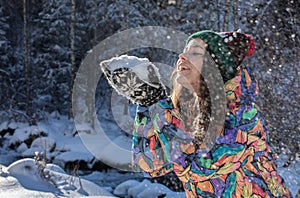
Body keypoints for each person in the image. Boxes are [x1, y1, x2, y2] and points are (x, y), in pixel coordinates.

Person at [100, 30, 291, 197]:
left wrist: (159, 105)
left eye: (195, 52)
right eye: (184, 50)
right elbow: (149, 164)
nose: (182, 55)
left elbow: (200, 166)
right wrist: (146, 103)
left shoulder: (242, 113)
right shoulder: (187, 113)